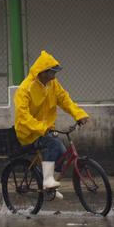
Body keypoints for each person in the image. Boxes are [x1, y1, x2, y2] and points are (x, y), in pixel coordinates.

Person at [14, 51, 89, 199]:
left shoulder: (52, 84)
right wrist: (42, 128)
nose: (55, 75)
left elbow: (65, 100)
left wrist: (79, 115)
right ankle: (47, 180)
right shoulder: (25, 88)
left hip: (45, 130)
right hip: (28, 133)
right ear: (43, 72)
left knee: (61, 153)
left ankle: (50, 186)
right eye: (52, 72)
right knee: (53, 144)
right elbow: (23, 116)